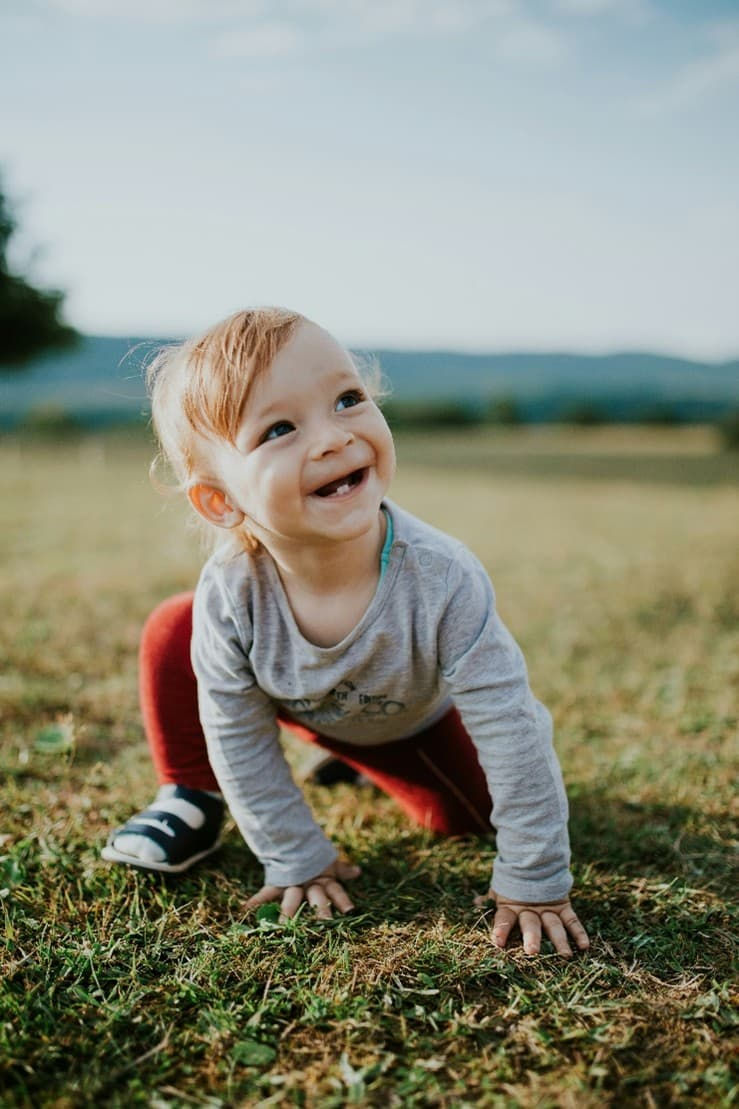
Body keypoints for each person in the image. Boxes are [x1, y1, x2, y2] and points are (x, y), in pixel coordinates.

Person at [102, 307, 590, 958]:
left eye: (347, 399)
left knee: (463, 819)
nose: (332, 437)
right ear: (221, 501)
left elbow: (509, 724)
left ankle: (356, 756)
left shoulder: (442, 578)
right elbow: (236, 730)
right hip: (287, 698)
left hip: (399, 717)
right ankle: (188, 795)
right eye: (279, 427)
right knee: (175, 623)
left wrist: (534, 879)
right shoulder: (232, 590)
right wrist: (295, 856)